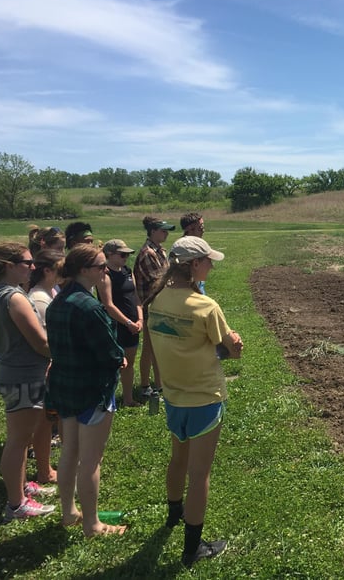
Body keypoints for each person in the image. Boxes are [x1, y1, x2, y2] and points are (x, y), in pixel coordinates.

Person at [147, 236, 243, 567]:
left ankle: (174, 514)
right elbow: (230, 349)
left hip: (174, 395)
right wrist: (236, 346)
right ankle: (192, 548)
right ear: (193, 265)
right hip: (204, 397)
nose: (212, 266)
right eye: (208, 261)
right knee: (199, 473)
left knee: (178, 459)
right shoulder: (206, 307)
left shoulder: (156, 300)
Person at [45, 245, 127, 536]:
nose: (106, 272)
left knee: (69, 452)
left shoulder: (58, 303)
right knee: (91, 460)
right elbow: (110, 353)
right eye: (101, 267)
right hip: (93, 391)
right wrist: (120, 357)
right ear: (83, 270)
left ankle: (69, 513)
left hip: (65, 387)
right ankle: (92, 524)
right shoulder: (89, 307)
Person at [0, 243, 56, 521]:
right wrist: (63, 351)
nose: (33, 267)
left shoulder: (0, 293)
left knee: (21, 436)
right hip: (22, 375)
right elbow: (40, 341)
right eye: (27, 263)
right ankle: (16, 504)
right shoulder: (14, 297)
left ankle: (22, 487)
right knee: (19, 440)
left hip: (15, 372)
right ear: (9, 266)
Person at [26, 248, 65, 484]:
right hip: (46, 367)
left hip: (50, 365)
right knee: (42, 422)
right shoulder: (40, 298)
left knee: (48, 419)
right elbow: (45, 339)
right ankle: (44, 470)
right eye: (60, 268)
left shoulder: (49, 291)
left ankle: (46, 467)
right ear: (48, 270)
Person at [97, 239, 143, 407]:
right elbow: (108, 305)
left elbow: (136, 297)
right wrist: (128, 322)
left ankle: (128, 399)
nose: (126, 258)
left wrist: (140, 319)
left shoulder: (127, 271)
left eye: (128, 255)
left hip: (133, 325)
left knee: (129, 363)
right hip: (116, 325)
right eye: (122, 254)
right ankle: (108, 401)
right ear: (109, 255)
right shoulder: (105, 274)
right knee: (114, 363)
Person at [133, 216, 175, 400]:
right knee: (150, 348)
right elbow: (159, 280)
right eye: (162, 230)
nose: (166, 233)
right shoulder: (148, 253)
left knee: (158, 346)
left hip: (159, 305)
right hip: (150, 305)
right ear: (152, 231)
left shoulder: (159, 251)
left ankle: (159, 384)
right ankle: (145, 385)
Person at [180, 212, 206, 294]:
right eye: (200, 227)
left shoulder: (196, 244)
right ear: (189, 229)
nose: (203, 230)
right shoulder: (184, 248)